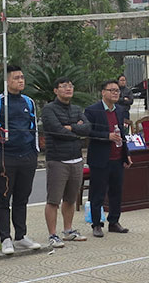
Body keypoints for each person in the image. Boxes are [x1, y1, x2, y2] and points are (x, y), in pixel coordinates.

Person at [0, 64, 42, 255]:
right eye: (16, 78)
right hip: (6, 157)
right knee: (3, 198)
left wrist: (34, 152)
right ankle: (6, 238)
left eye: (22, 77)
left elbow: (34, 128)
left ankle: (21, 236)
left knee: (22, 198)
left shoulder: (28, 102)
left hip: (27, 156)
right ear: (7, 81)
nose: (21, 81)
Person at [40, 77, 91, 249]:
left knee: (70, 198)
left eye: (70, 86)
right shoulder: (49, 109)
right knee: (53, 200)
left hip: (76, 158)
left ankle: (68, 231)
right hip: (57, 160)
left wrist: (71, 128)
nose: (68, 89)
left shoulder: (76, 109)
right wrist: (75, 129)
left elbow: (87, 128)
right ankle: (53, 235)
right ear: (56, 90)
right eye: (63, 86)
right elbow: (57, 131)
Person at [85, 79, 132, 237]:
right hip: (100, 158)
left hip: (117, 158)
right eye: (111, 90)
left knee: (116, 192)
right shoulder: (93, 111)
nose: (115, 93)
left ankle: (114, 222)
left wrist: (127, 155)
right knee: (98, 193)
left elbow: (122, 135)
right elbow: (88, 132)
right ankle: (96, 224)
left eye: (117, 90)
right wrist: (107, 136)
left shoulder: (119, 110)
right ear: (103, 92)